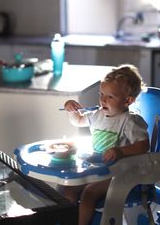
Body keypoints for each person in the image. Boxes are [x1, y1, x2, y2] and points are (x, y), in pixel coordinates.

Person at [62, 64, 150, 225]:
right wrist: (71, 110)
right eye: (101, 94)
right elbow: (79, 121)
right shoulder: (98, 114)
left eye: (110, 97)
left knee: (89, 193)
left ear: (128, 100)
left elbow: (144, 145)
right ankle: (67, 220)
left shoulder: (130, 121)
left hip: (120, 174)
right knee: (68, 188)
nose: (102, 99)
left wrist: (121, 151)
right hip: (97, 169)